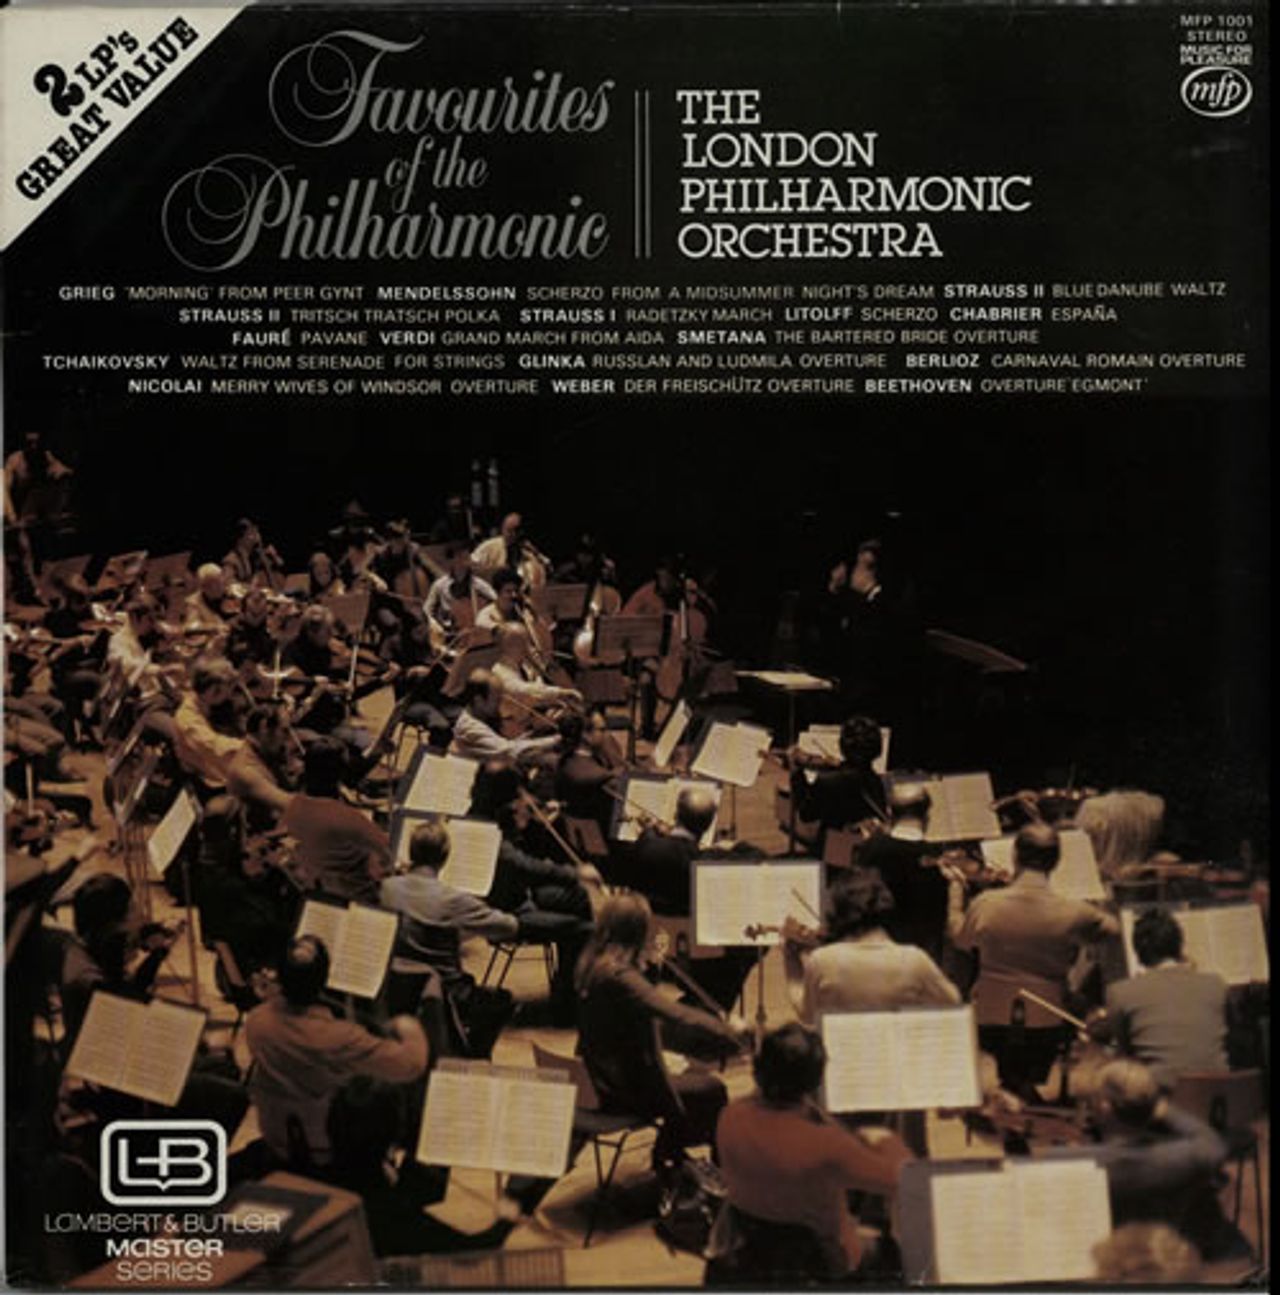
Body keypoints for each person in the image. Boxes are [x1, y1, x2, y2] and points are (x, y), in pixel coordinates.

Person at [713, 1023, 913, 1282]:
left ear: (757, 1071)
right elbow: (903, 1179)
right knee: (894, 1252)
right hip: (821, 1262)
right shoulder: (828, 1145)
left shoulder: (730, 1117)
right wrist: (887, 1140)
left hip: (750, 1252)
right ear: (816, 1081)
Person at [576, 892, 743, 1176]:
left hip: (600, 1075)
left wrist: (650, 968)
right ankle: (687, 1159)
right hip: (624, 1088)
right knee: (713, 1089)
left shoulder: (592, 964)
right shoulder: (620, 978)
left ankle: (672, 1152)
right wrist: (729, 1031)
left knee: (694, 1076)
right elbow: (675, 1013)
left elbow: (635, 1014)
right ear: (639, 932)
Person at [949, 822, 1120, 1097]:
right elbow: (1114, 929)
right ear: (1056, 862)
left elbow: (960, 939)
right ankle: (1031, 1089)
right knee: (1083, 1001)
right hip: (1050, 1020)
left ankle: (1015, 1090)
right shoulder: (1073, 911)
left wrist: (956, 893)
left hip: (991, 1017)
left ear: (1015, 856)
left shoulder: (987, 903)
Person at [245, 935, 427, 1167]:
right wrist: (408, 1026)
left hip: (276, 1136)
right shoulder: (339, 1038)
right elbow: (411, 1066)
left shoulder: (256, 1021)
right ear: (323, 979)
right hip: (325, 1148)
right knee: (386, 1094)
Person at [1081, 1059, 1231, 1257]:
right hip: (1162, 1261)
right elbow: (1212, 1140)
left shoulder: (1083, 1162)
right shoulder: (1187, 1157)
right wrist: (1161, 1109)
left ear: (1104, 1108)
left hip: (1104, 1262)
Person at [784, 866, 960, 1022]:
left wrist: (791, 959)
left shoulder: (822, 960)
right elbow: (953, 1003)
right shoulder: (913, 960)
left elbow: (806, 1014)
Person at [1086, 907, 1229, 1091]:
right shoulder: (1216, 984)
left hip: (1158, 1097)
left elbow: (1124, 1051)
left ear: (1138, 953)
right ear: (1180, 946)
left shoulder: (1121, 992)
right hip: (1220, 1095)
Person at [278, 737, 390, 902]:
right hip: (354, 898)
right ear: (340, 775)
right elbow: (388, 852)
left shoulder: (292, 808)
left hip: (315, 895)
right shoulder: (348, 818)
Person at [789, 714, 887, 849]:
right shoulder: (877, 779)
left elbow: (806, 815)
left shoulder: (828, 782)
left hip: (836, 851)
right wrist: (840, 765)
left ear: (842, 745)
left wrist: (796, 774)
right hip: (867, 849)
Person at [450, 668, 559, 765]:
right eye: (495, 699)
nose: (500, 703)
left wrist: (535, 730)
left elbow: (512, 744)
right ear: (479, 701)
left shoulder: (481, 715)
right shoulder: (470, 729)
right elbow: (510, 751)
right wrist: (554, 740)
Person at [423, 543, 494, 643]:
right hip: (450, 634)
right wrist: (436, 626)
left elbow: (496, 601)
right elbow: (426, 611)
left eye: (466, 556)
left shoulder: (478, 584)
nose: (464, 560)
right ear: (451, 561)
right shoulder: (439, 585)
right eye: (460, 556)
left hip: (474, 633)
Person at [471, 512, 548, 590]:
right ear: (502, 530)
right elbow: (470, 567)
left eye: (517, 531)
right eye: (509, 531)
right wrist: (492, 572)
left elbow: (538, 586)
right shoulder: (489, 547)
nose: (513, 535)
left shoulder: (529, 557)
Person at [182, 563, 231, 635]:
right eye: (216, 584)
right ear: (204, 587)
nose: (222, 586)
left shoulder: (231, 592)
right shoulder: (193, 602)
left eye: (222, 582)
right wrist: (214, 627)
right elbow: (191, 626)